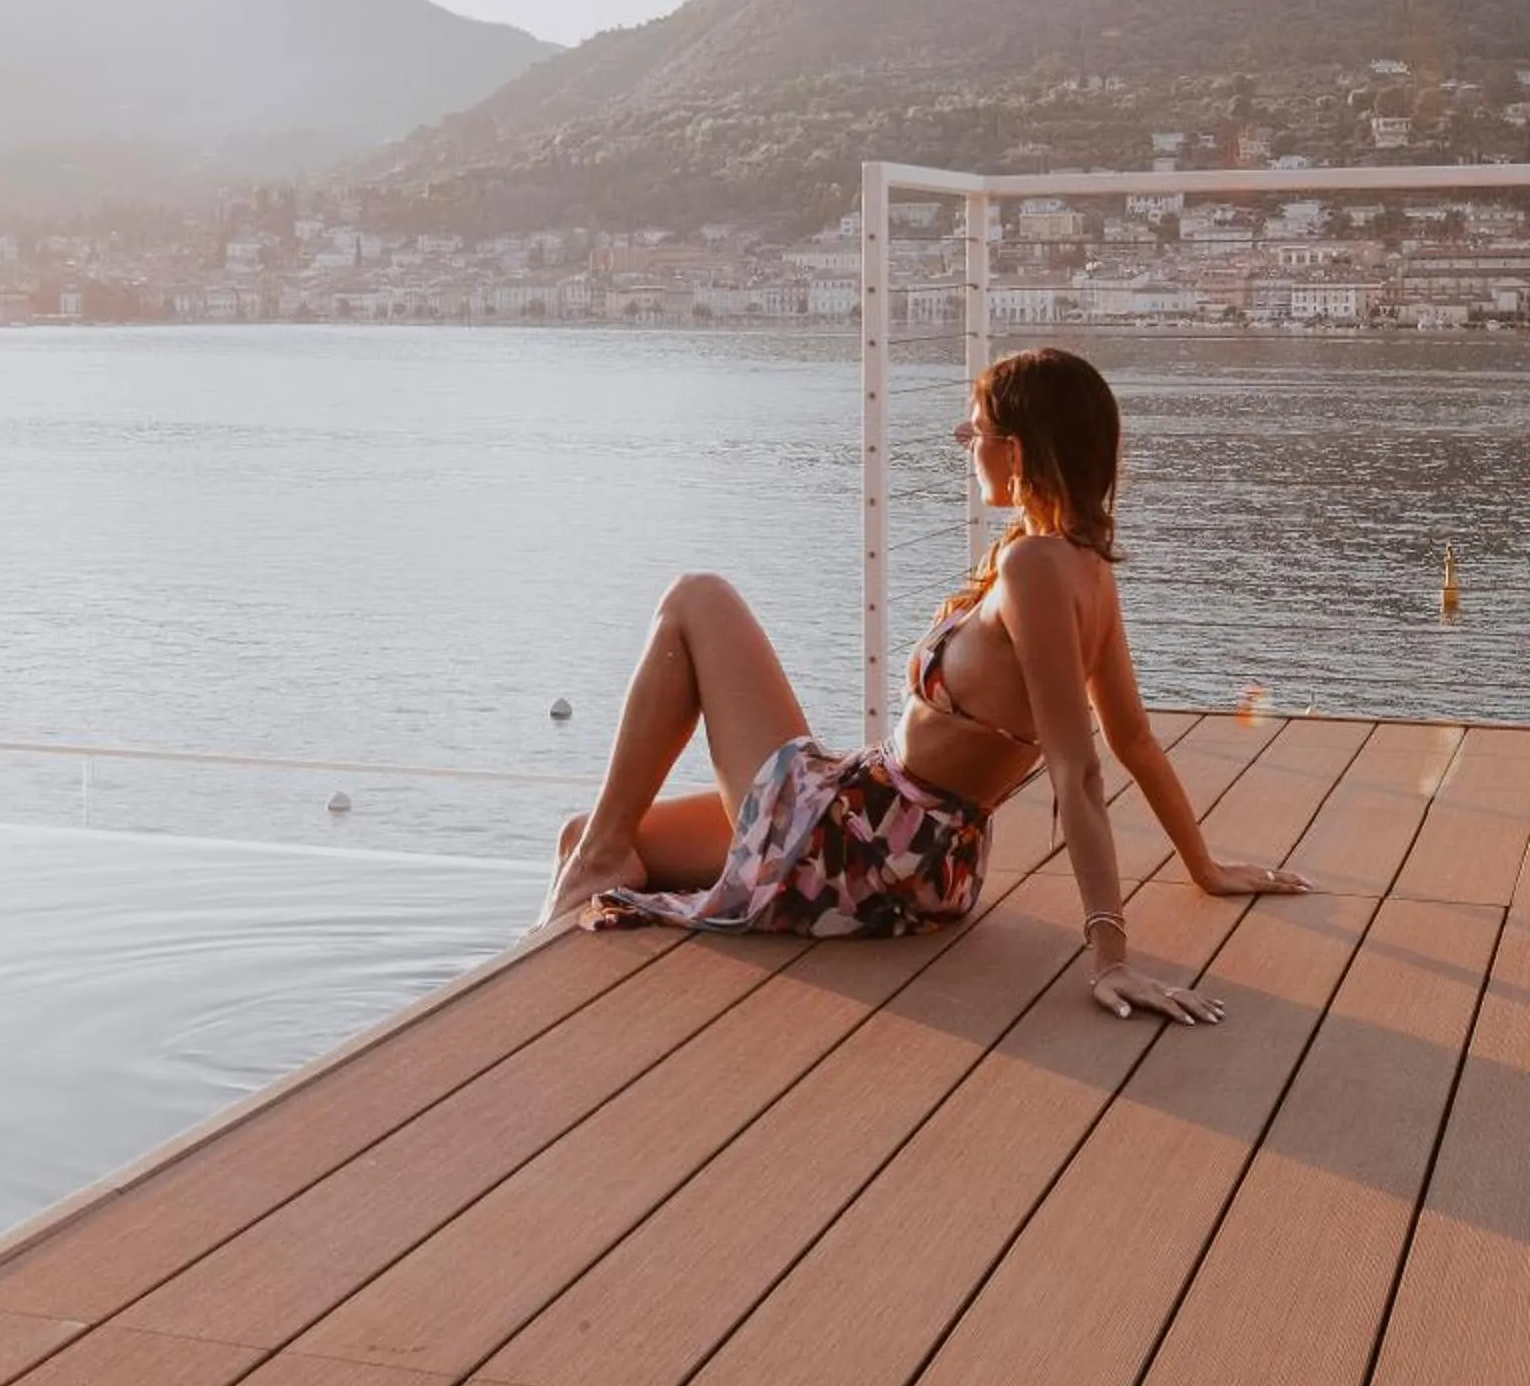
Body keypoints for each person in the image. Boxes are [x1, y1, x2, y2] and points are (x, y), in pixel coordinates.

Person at [542, 347, 1309, 1022]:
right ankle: (599, 860)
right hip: (907, 850)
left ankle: (595, 873)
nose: (961, 441)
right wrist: (1203, 868)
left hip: (864, 844)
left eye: (974, 428)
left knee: (695, 598)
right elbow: (1135, 738)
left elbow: (1082, 768)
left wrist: (1111, 954)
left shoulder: (1035, 570)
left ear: (1018, 448)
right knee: (582, 832)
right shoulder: (1079, 565)